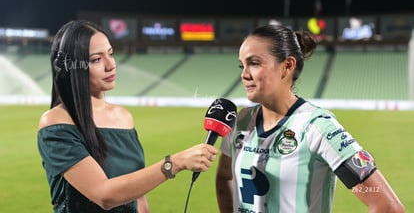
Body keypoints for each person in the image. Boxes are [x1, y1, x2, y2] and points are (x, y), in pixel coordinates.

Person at [215, 24, 405, 213]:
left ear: (287, 66)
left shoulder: (318, 126)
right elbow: (224, 177)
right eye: (242, 65)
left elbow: (389, 207)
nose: (244, 74)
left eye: (254, 63)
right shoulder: (240, 121)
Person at [37, 19, 218, 213]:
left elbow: (138, 195)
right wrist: (175, 163)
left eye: (111, 54)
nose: (111, 65)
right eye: (96, 59)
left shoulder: (123, 117)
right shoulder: (56, 122)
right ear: (71, 67)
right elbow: (104, 195)